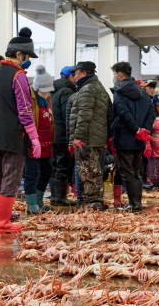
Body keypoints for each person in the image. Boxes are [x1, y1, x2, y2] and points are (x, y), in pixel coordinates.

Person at [0, 27, 43, 233]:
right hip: (12, 135)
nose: (28, 60)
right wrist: (34, 138)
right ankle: (2, 222)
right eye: (27, 56)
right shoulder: (19, 76)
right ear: (18, 54)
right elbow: (24, 110)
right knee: (10, 177)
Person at [110, 60, 156, 212]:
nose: (114, 77)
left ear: (120, 74)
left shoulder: (119, 92)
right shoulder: (143, 92)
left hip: (124, 138)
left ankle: (134, 204)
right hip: (139, 139)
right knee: (137, 172)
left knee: (127, 172)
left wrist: (136, 130)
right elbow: (151, 113)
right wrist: (144, 131)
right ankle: (136, 203)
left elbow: (123, 113)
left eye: (115, 74)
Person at [69, 61, 111, 210]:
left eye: (76, 73)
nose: (74, 76)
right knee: (95, 171)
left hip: (87, 139)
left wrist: (77, 137)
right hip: (98, 138)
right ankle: (96, 201)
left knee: (88, 172)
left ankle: (91, 203)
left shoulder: (87, 89)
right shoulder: (99, 87)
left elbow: (84, 114)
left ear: (85, 73)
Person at [21, 66, 56, 214]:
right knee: (32, 173)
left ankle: (39, 200)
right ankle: (31, 204)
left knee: (47, 171)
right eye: (44, 88)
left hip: (47, 142)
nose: (47, 92)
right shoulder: (30, 97)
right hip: (34, 142)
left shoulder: (48, 99)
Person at [49, 66, 78, 206]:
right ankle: (60, 197)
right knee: (63, 166)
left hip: (52, 134)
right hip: (62, 135)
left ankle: (55, 197)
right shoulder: (67, 91)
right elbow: (68, 116)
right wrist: (71, 136)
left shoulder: (52, 90)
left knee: (55, 165)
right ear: (71, 77)